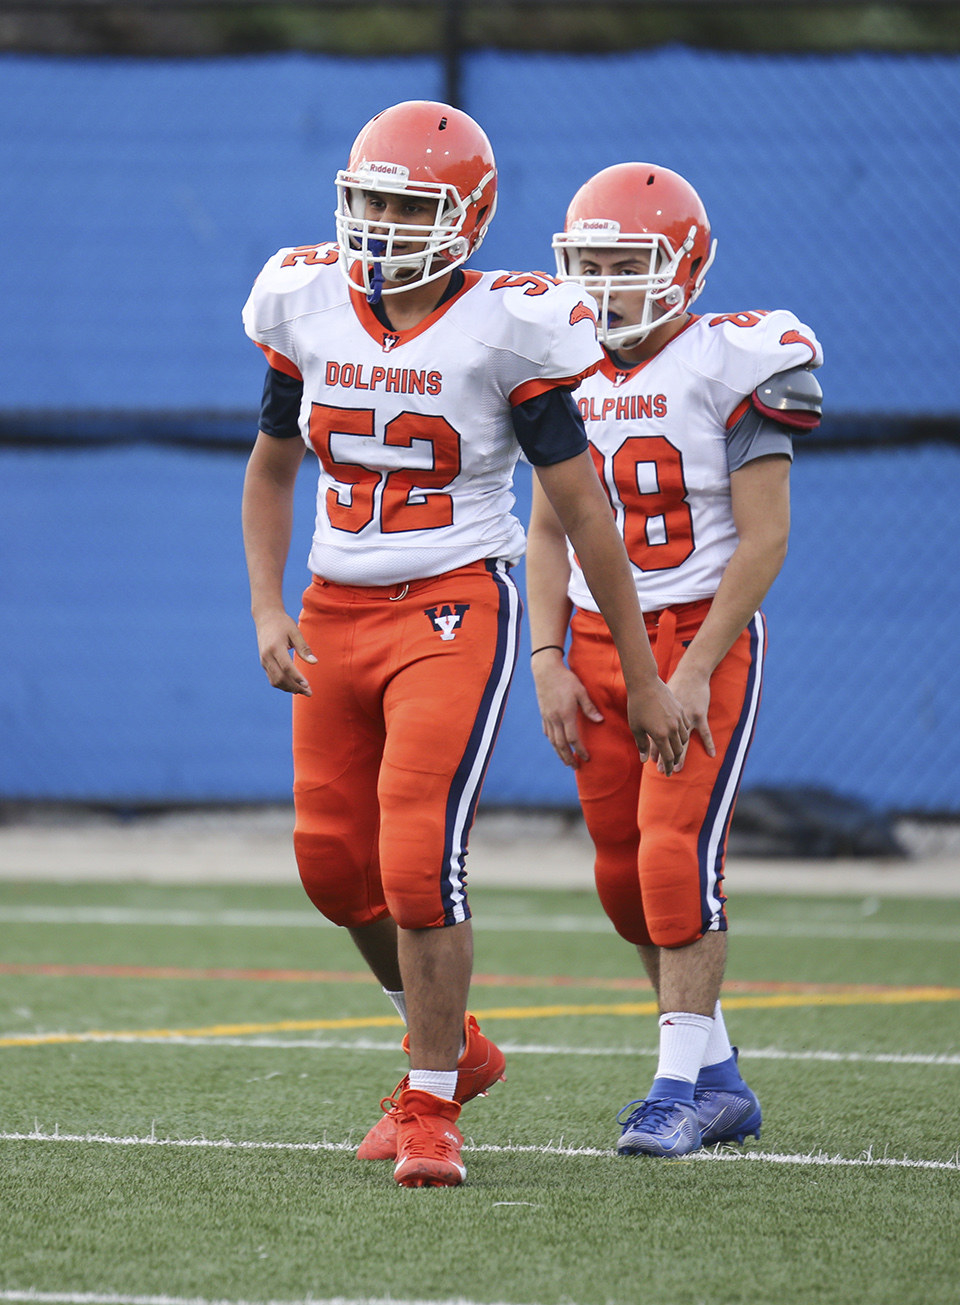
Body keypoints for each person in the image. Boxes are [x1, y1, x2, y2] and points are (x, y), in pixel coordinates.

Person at [241, 102, 690, 1187]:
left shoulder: (512, 324)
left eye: (409, 204)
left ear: (469, 218)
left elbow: (585, 514)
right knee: (325, 864)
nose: (383, 225)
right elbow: (268, 466)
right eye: (371, 200)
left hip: (451, 604)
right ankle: (455, 1044)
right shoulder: (302, 300)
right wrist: (266, 606)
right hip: (335, 602)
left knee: (412, 857)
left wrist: (638, 674)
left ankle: (430, 1101)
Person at [530, 163, 821, 1155]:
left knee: (671, 857)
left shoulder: (731, 358)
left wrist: (691, 669)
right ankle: (719, 1078)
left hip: (696, 633)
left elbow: (766, 537)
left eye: (625, 264)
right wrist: (544, 653)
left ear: (682, 266)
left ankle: (670, 1092)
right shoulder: (558, 365)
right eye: (590, 264)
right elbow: (545, 527)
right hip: (596, 644)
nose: (604, 286)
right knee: (621, 880)